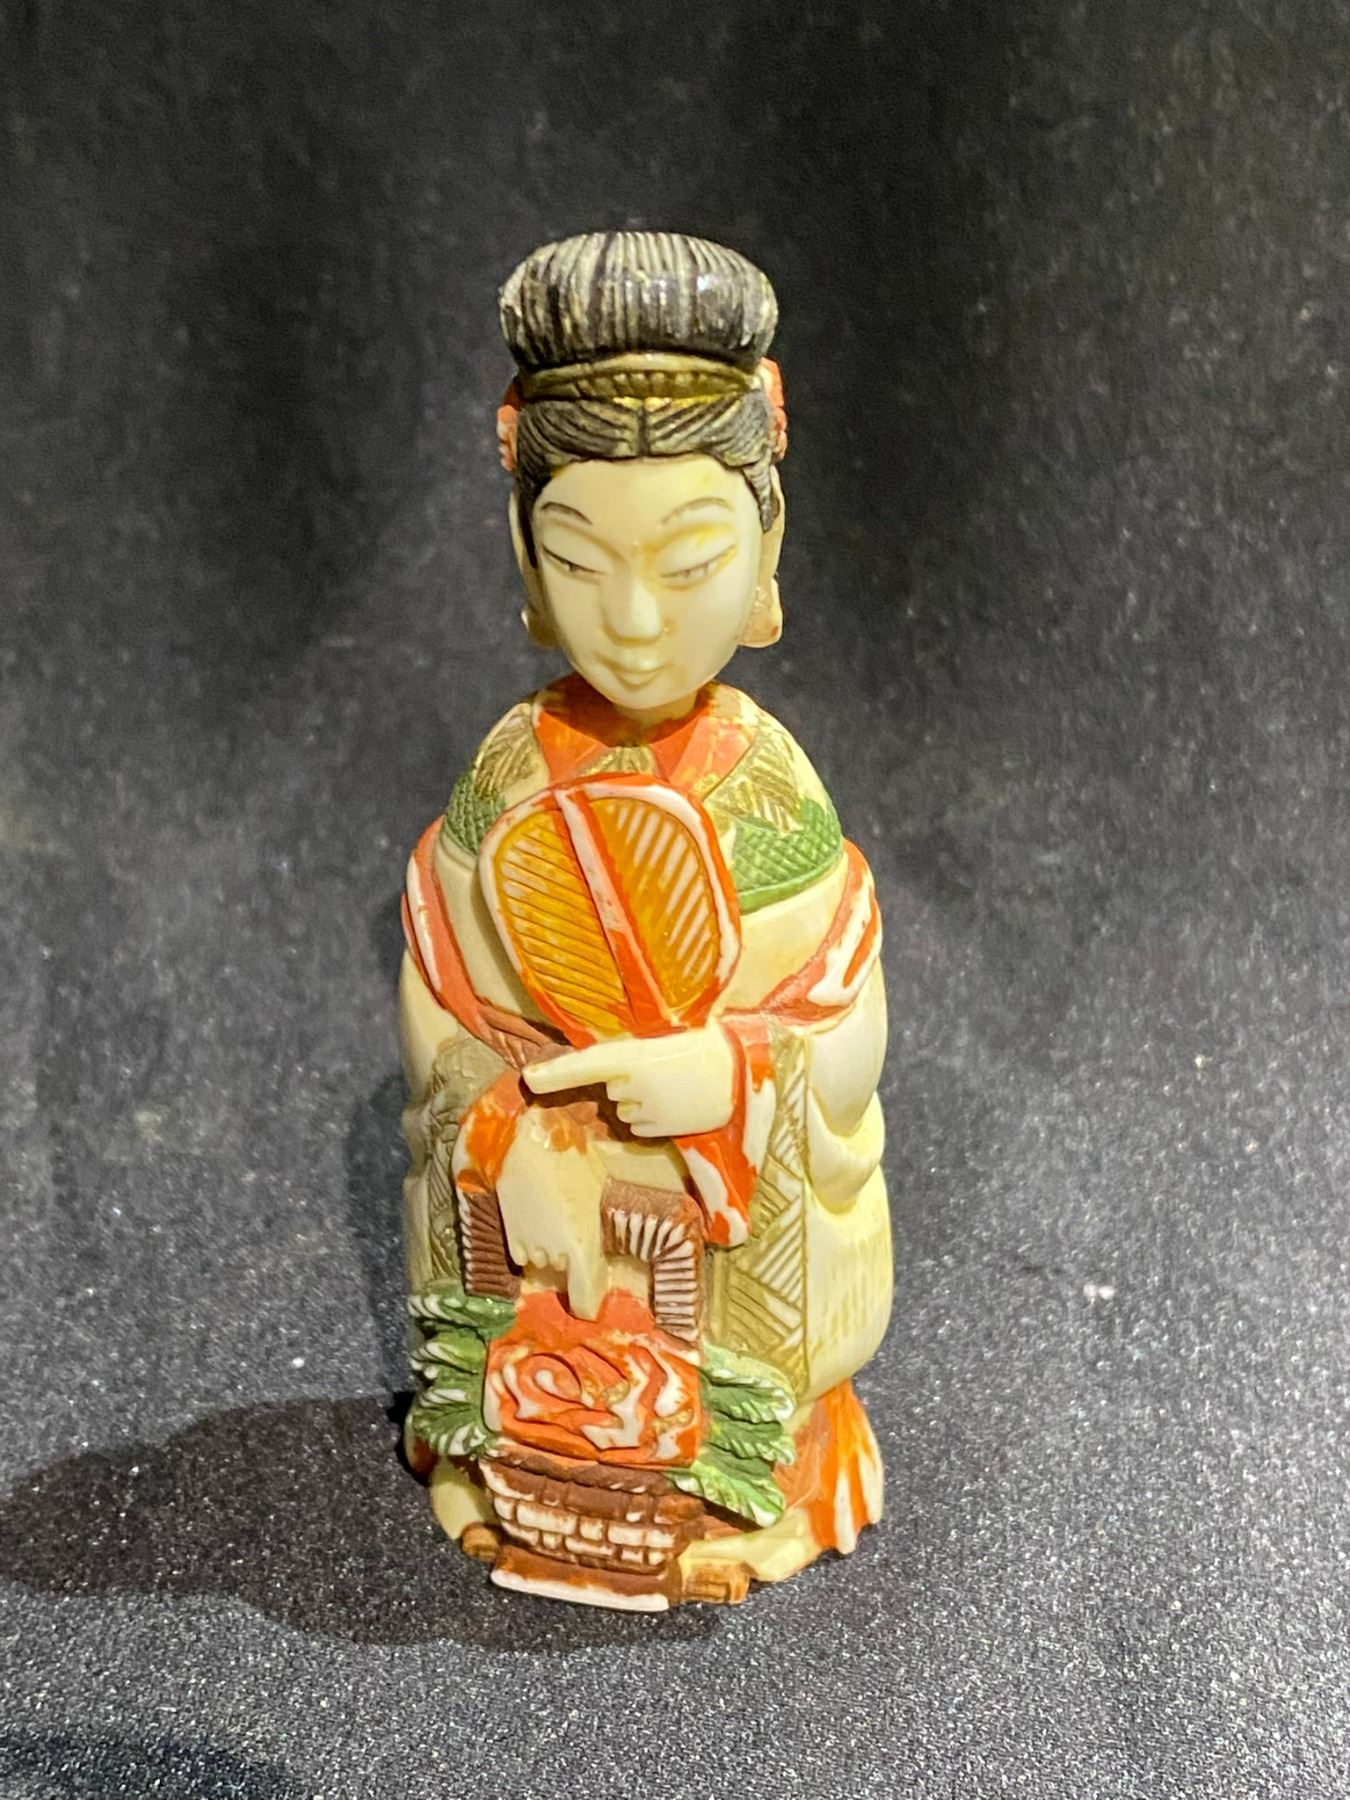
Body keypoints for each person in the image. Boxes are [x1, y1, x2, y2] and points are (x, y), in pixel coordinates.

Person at [399, 230, 892, 1610]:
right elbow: (441, 989)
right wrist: (504, 1123)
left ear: (766, 546)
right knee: (507, 1300)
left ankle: (755, 1480)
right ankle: (497, 1466)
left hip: (710, 1188)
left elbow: (841, 1018)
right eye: (577, 561)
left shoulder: (768, 790)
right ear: (524, 555)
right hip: (533, 1193)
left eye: (688, 564)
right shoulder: (507, 773)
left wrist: (731, 1076)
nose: (629, 619)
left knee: (736, 1333)